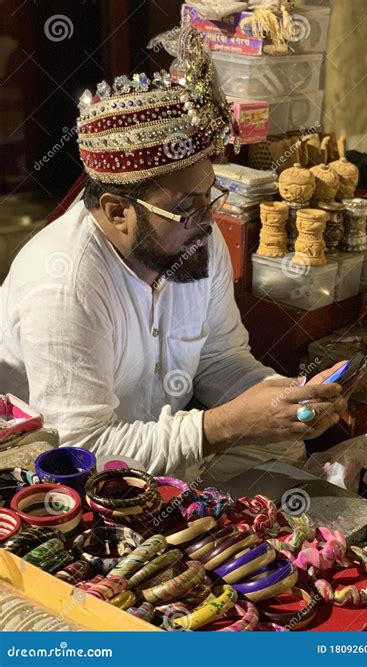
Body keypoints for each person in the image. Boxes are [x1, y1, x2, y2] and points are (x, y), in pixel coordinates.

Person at [0, 26, 346, 483]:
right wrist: (225, 425)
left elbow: (219, 357)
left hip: (164, 453)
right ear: (118, 211)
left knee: (290, 455)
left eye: (210, 195)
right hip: (61, 482)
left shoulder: (195, 237)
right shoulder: (64, 285)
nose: (208, 221)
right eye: (185, 208)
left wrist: (287, 401)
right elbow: (77, 451)